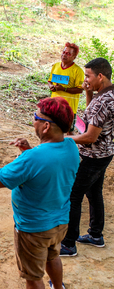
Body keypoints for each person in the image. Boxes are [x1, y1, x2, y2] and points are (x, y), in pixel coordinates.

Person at [0, 97, 79, 289]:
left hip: (34, 229)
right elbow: (47, 166)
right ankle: (58, 287)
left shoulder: (32, 158)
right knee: (52, 256)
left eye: (35, 117)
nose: (33, 121)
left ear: (46, 126)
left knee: (33, 276)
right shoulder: (71, 146)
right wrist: (28, 149)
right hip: (60, 222)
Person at [60, 58, 114, 256]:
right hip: (105, 153)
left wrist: (66, 139)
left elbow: (90, 136)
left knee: (73, 195)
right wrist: (88, 92)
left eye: (88, 76)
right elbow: (93, 117)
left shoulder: (103, 102)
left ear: (100, 76)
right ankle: (95, 235)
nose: (85, 80)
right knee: (93, 192)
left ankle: (68, 243)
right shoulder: (109, 93)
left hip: (93, 156)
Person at [47, 42, 84, 134]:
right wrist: (51, 86)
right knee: (52, 129)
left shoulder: (78, 71)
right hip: (54, 106)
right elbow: (50, 81)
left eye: (68, 54)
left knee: (69, 132)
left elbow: (80, 89)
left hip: (69, 109)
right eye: (64, 52)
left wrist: (63, 89)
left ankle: (72, 148)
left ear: (74, 57)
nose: (64, 55)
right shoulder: (55, 66)